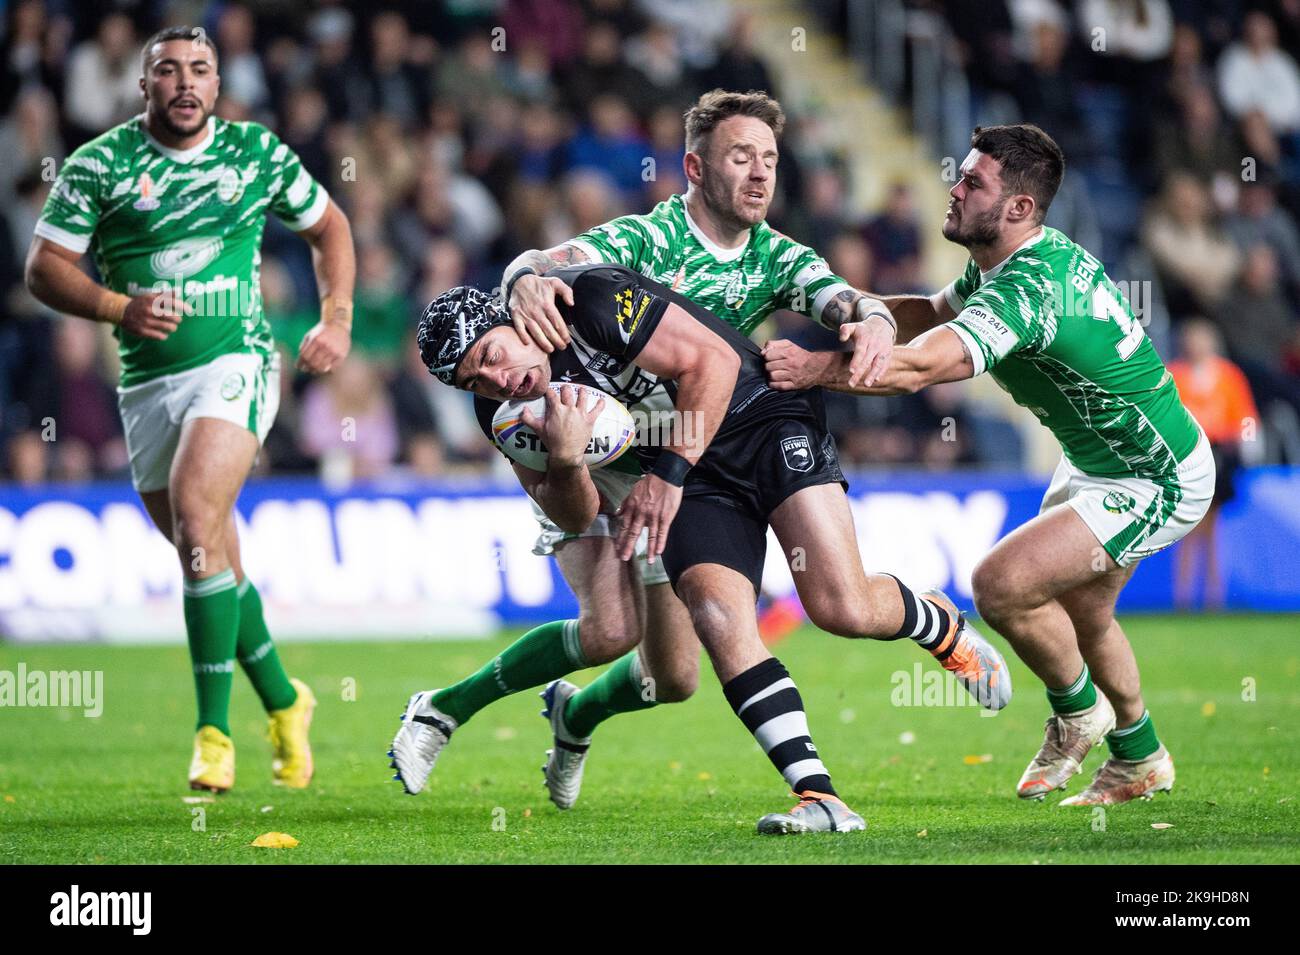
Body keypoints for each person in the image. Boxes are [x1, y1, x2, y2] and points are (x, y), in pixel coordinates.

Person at [403, 264, 1011, 834]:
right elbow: (574, 512)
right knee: (711, 624)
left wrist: (665, 477)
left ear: (509, 319)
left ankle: (935, 620)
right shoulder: (502, 409)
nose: (496, 380)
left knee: (841, 608)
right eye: (473, 382)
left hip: (760, 417)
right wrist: (565, 462)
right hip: (681, 474)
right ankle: (818, 796)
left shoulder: (588, 299)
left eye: (490, 356)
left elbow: (715, 361)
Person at [765, 124, 1214, 806]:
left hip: (1156, 474)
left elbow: (918, 368)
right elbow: (924, 318)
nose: (955, 185)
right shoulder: (1002, 264)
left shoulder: (1028, 291)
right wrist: (859, 312)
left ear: (1020, 209)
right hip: (1102, 458)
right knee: (1085, 611)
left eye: (974, 182)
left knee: (1001, 584)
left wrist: (810, 368)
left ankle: (1077, 713)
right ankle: (1139, 754)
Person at [25, 26, 356, 792]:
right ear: (143, 86)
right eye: (167, 70)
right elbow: (44, 268)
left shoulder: (255, 153)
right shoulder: (99, 164)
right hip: (145, 382)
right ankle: (285, 699)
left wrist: (334, 317)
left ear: (217, 83)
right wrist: (117, 306)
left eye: (199, 70)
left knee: (198, 513)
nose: (184, 83)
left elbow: (329, 225)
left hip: (239, 359)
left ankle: (212, 733)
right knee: (206, 553)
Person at [1168, 320, 1259, 610]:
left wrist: (1248, 446)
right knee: (1189, 529)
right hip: (1186, 455)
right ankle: (1183, 596)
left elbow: (1244, 416)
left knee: (1212, 527)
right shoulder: (1175, 375)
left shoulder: (1228, 376)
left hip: (1220, 455)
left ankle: (1213, 595)